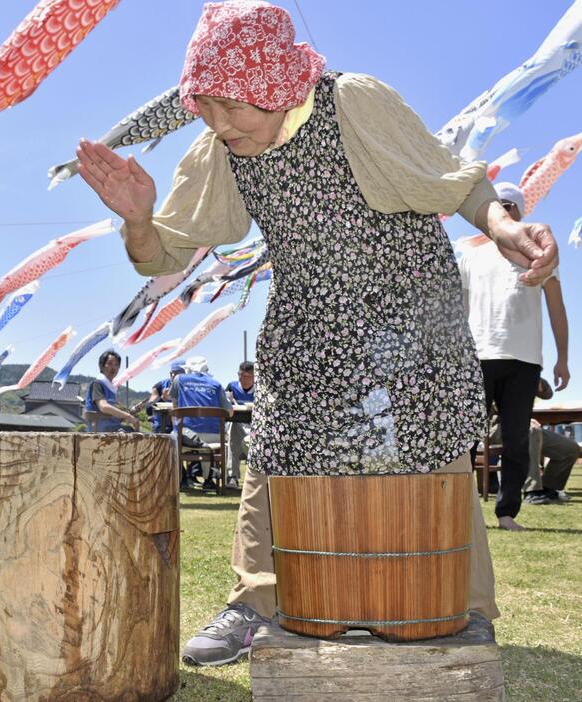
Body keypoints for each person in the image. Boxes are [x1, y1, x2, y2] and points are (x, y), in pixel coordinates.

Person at [76, 1, 557, 666]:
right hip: (309, 318)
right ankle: (255, 602)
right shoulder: (220, 148)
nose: (217, 124)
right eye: (204, 108)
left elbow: (454, 182)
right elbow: (164, 252)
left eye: (230, 107)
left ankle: (464, 606)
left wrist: (504, 229)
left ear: (274, 85)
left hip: (409, 310)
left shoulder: (351, 103)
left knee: (431, 444)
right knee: (276, 447)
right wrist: (136, 219)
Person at [460, 182, 570, 530]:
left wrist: (563, 358)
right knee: (465, 438)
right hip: (478, 356)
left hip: (524, 360)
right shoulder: (469, 254)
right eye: (497, 204)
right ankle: (461, 510)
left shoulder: (540, 254)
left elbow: (557, 308)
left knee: (518, 439)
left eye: (510, 204)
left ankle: (507, 513)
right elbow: (459, 312)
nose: (504, 211)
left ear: (522, 211)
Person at [171, 356, 234, 490]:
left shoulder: (179, 380)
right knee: (206, 445)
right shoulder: (216, 384)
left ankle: (181, 479)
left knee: (170, 438)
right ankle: (208, 479)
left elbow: (175, 406)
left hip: (187, 436)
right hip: (215, 437)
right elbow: (229, 412)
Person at [524, 379, 578, 505]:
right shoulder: (502, 372)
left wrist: (537, 381)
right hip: (500, 426)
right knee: (532, 431)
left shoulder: (528, 373)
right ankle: (531, 491)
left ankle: (548, 488)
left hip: (527, 426)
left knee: (571, 449)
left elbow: (548, 395)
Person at [84, 349, 140, 432]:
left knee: (136, 432)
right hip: (100, 430)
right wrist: (127, 416)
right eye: (109, 363)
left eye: (116, 365)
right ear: (101, 366)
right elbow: (104, 407)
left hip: (112, 428)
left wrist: (130, 414)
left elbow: (112, 414)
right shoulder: (97, 384)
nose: (113, 367)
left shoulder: (111, 388)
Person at [225, 361, 255, 489]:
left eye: (248, 377)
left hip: (255, 426)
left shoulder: (260, 388)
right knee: (233, 427)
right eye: (242, 376)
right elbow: (226, 403)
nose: (245, 380)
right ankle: (232, 476)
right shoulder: (231, 387)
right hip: (237, 424)